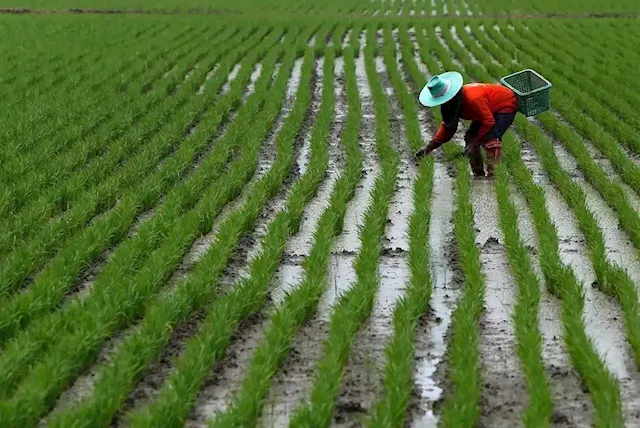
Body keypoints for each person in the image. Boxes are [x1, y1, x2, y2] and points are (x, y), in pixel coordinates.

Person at [414, 71, 519, 177]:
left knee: (491, 139)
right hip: (487, 110)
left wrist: (475, 143)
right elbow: (448, 128)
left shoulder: (472, 99)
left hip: (505, 105)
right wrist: (429, 147)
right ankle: (478, 175)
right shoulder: (451, 105)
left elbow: (489, 121)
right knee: (470, 138)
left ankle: (494, 176)